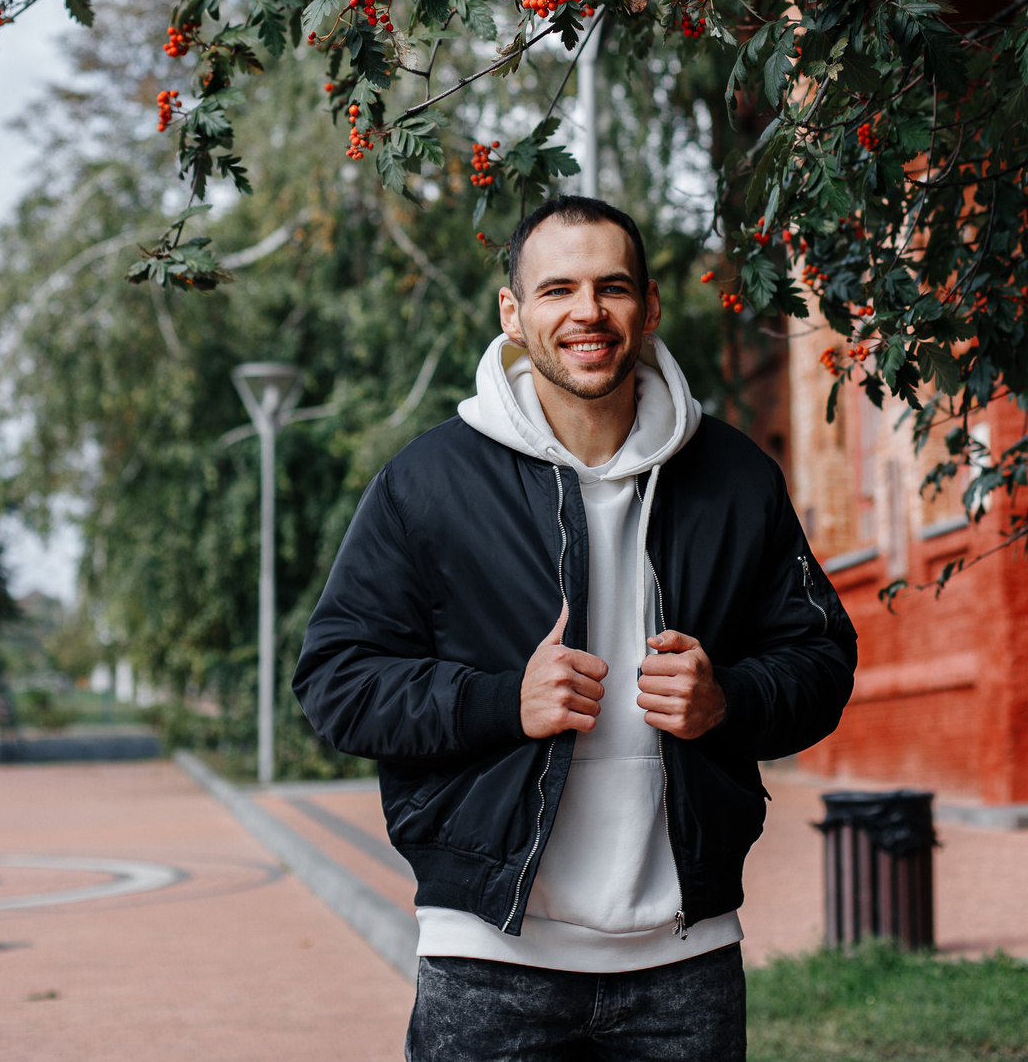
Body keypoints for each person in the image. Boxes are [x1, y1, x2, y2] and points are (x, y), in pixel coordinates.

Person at [295, 195, 858, 1061]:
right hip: (489, 955)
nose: (587, 311)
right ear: (513, 314)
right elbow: (335, 679)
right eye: (557, 289)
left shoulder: (736, 477)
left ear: (649, 307)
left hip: (685, 956)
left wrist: (729, 699)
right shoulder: (428, 482)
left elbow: (821, 657)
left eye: (612, 286)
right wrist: (498, 702)